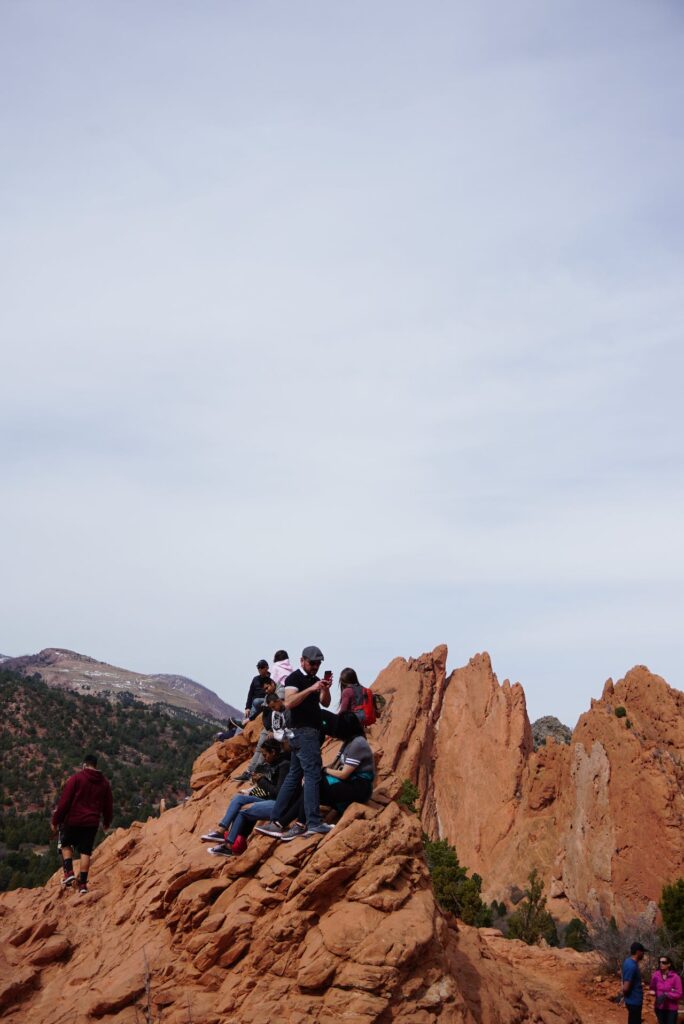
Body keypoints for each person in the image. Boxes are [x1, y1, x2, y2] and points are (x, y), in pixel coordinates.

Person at [260, 712, 375, 841]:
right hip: (349, 785)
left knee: (315, 783)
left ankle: (293, 824)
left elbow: (343, 774)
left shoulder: (358, 743)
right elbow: (335, 765)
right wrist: (318, 772)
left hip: (360, 788)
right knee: (312, 783)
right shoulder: (348, 742)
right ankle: (286, 824)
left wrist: (322, 770)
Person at [257, 645, 333, 838]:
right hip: (304, 733)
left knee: (293, 776)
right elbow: (289, 702)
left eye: (318, 663)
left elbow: (325, 703)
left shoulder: (314, 680)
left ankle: (275, 821)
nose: (315, 666)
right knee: (313, 775)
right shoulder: (294, 679)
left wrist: (324, 689)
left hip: (307, 734)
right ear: (302, 661)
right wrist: (311, 689)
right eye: (312, 662)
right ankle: (314, 821)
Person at [201, 739, 285, 846]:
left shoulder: (284, 766)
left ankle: (229, 844)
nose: (264, 758)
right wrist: (254, 788)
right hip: (270, 800)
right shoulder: (273, 765)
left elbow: (278, 793)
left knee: (244, 811)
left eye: (265, 754)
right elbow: (269, 788)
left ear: (273, 752)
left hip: (278, 804)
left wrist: (261, 780)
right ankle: (221, 831)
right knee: (238, 798)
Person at [51, 754, 113, 895]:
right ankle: (83, 885)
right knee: (85, 852)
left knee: (65, 845)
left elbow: (64, 802)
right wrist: (107, 821)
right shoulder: (104, 783)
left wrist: (56, 820)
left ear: (84, 765)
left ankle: (69, 873)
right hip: (91, 823)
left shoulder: (76, 779)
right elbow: (108, 805)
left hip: (73, 820)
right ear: (96, 765)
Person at [649, 954, 682, 1024]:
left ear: (669, 964)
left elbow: (679, 994)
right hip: (659, 1008)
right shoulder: (655, 975)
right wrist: (653, 992)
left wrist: (667, 994)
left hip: (671, 1009)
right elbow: (652, 988)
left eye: (664, 962)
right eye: (660, 962)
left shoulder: (675, 977)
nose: (661, 964)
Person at [622, 941, 647, 1024]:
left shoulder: (628, 961)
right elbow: (626, 987)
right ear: (638, 952)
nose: (643, 954)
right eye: (643, 952)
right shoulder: (632, 966)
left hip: (631, 1000)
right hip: (634, 1001)